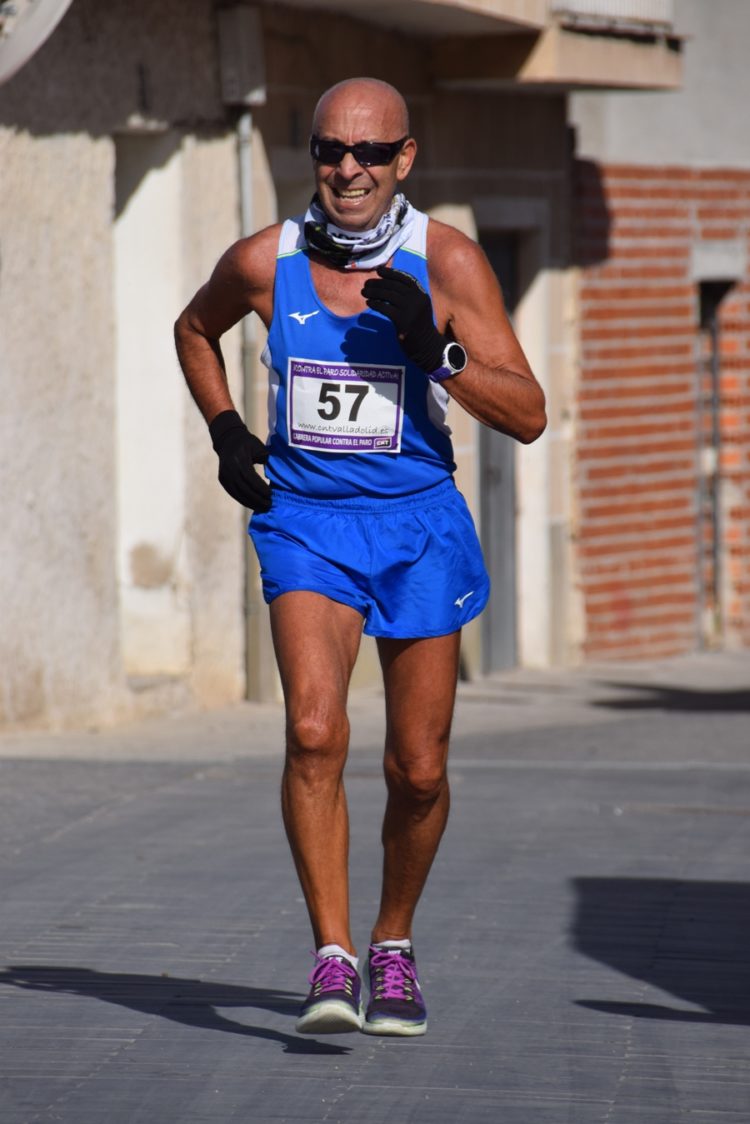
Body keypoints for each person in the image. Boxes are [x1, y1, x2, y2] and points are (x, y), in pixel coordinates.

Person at [174, 76, 546, 1038]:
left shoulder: (448, 260)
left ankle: (393, 942)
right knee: (311, 729)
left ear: (405, 160)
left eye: (371, 154)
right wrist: (225, 431)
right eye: (331, 150)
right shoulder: (267, 260)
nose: (349, 170)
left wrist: (440, 351)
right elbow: (193, 327)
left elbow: (531, 413)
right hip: (307, 523)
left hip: (418, 524)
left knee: (417, 767)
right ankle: (332, 956)